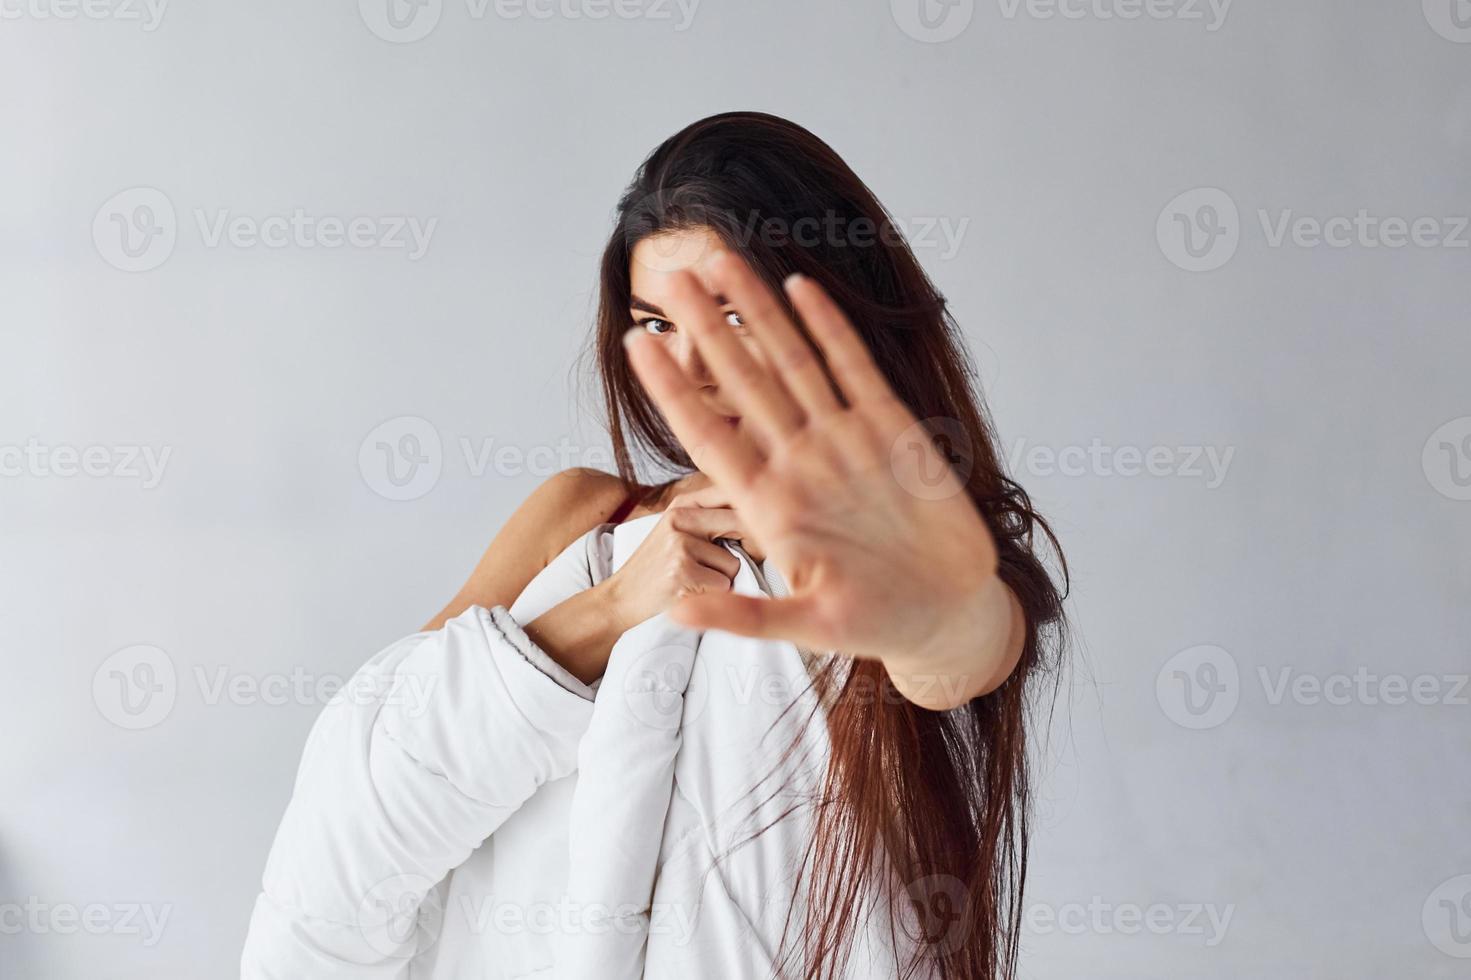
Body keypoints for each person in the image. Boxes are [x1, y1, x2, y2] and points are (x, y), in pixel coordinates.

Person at [243, 111, 1067, 980]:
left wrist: (920, 617)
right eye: (659, 325)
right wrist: (615, 606)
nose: (698, 369)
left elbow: (963, 647)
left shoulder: (928, 550)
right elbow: (361, 819)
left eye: (732, 319)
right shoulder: (585, 522)